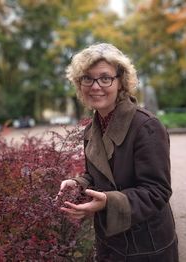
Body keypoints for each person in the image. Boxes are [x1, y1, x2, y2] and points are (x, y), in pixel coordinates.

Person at [57, 43, 178, 261]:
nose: (96, 86)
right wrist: (79, 184)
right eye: (87, 78)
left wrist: (108, 202)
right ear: (79, 83)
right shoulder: (91, 129)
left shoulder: (146, 126)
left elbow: (157, 191)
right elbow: (97, 176)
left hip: (145, 246)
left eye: (105, 78)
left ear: (120, 81)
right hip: (108, 241)